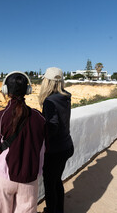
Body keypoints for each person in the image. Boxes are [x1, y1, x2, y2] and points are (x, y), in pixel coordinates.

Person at [0, 71, 46, 213]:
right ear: (28, 90)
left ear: (6, 90)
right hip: (29, 180)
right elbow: (43, 147)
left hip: (4, 177)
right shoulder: (40, 118)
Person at [38, 67, 74, 213]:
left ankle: (52, 210)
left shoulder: (50, 101)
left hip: (55, 150)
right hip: (66, 146)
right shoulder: (65, 96)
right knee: (57, 181)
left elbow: (52, 125)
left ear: (47, 82)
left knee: (50, 184)